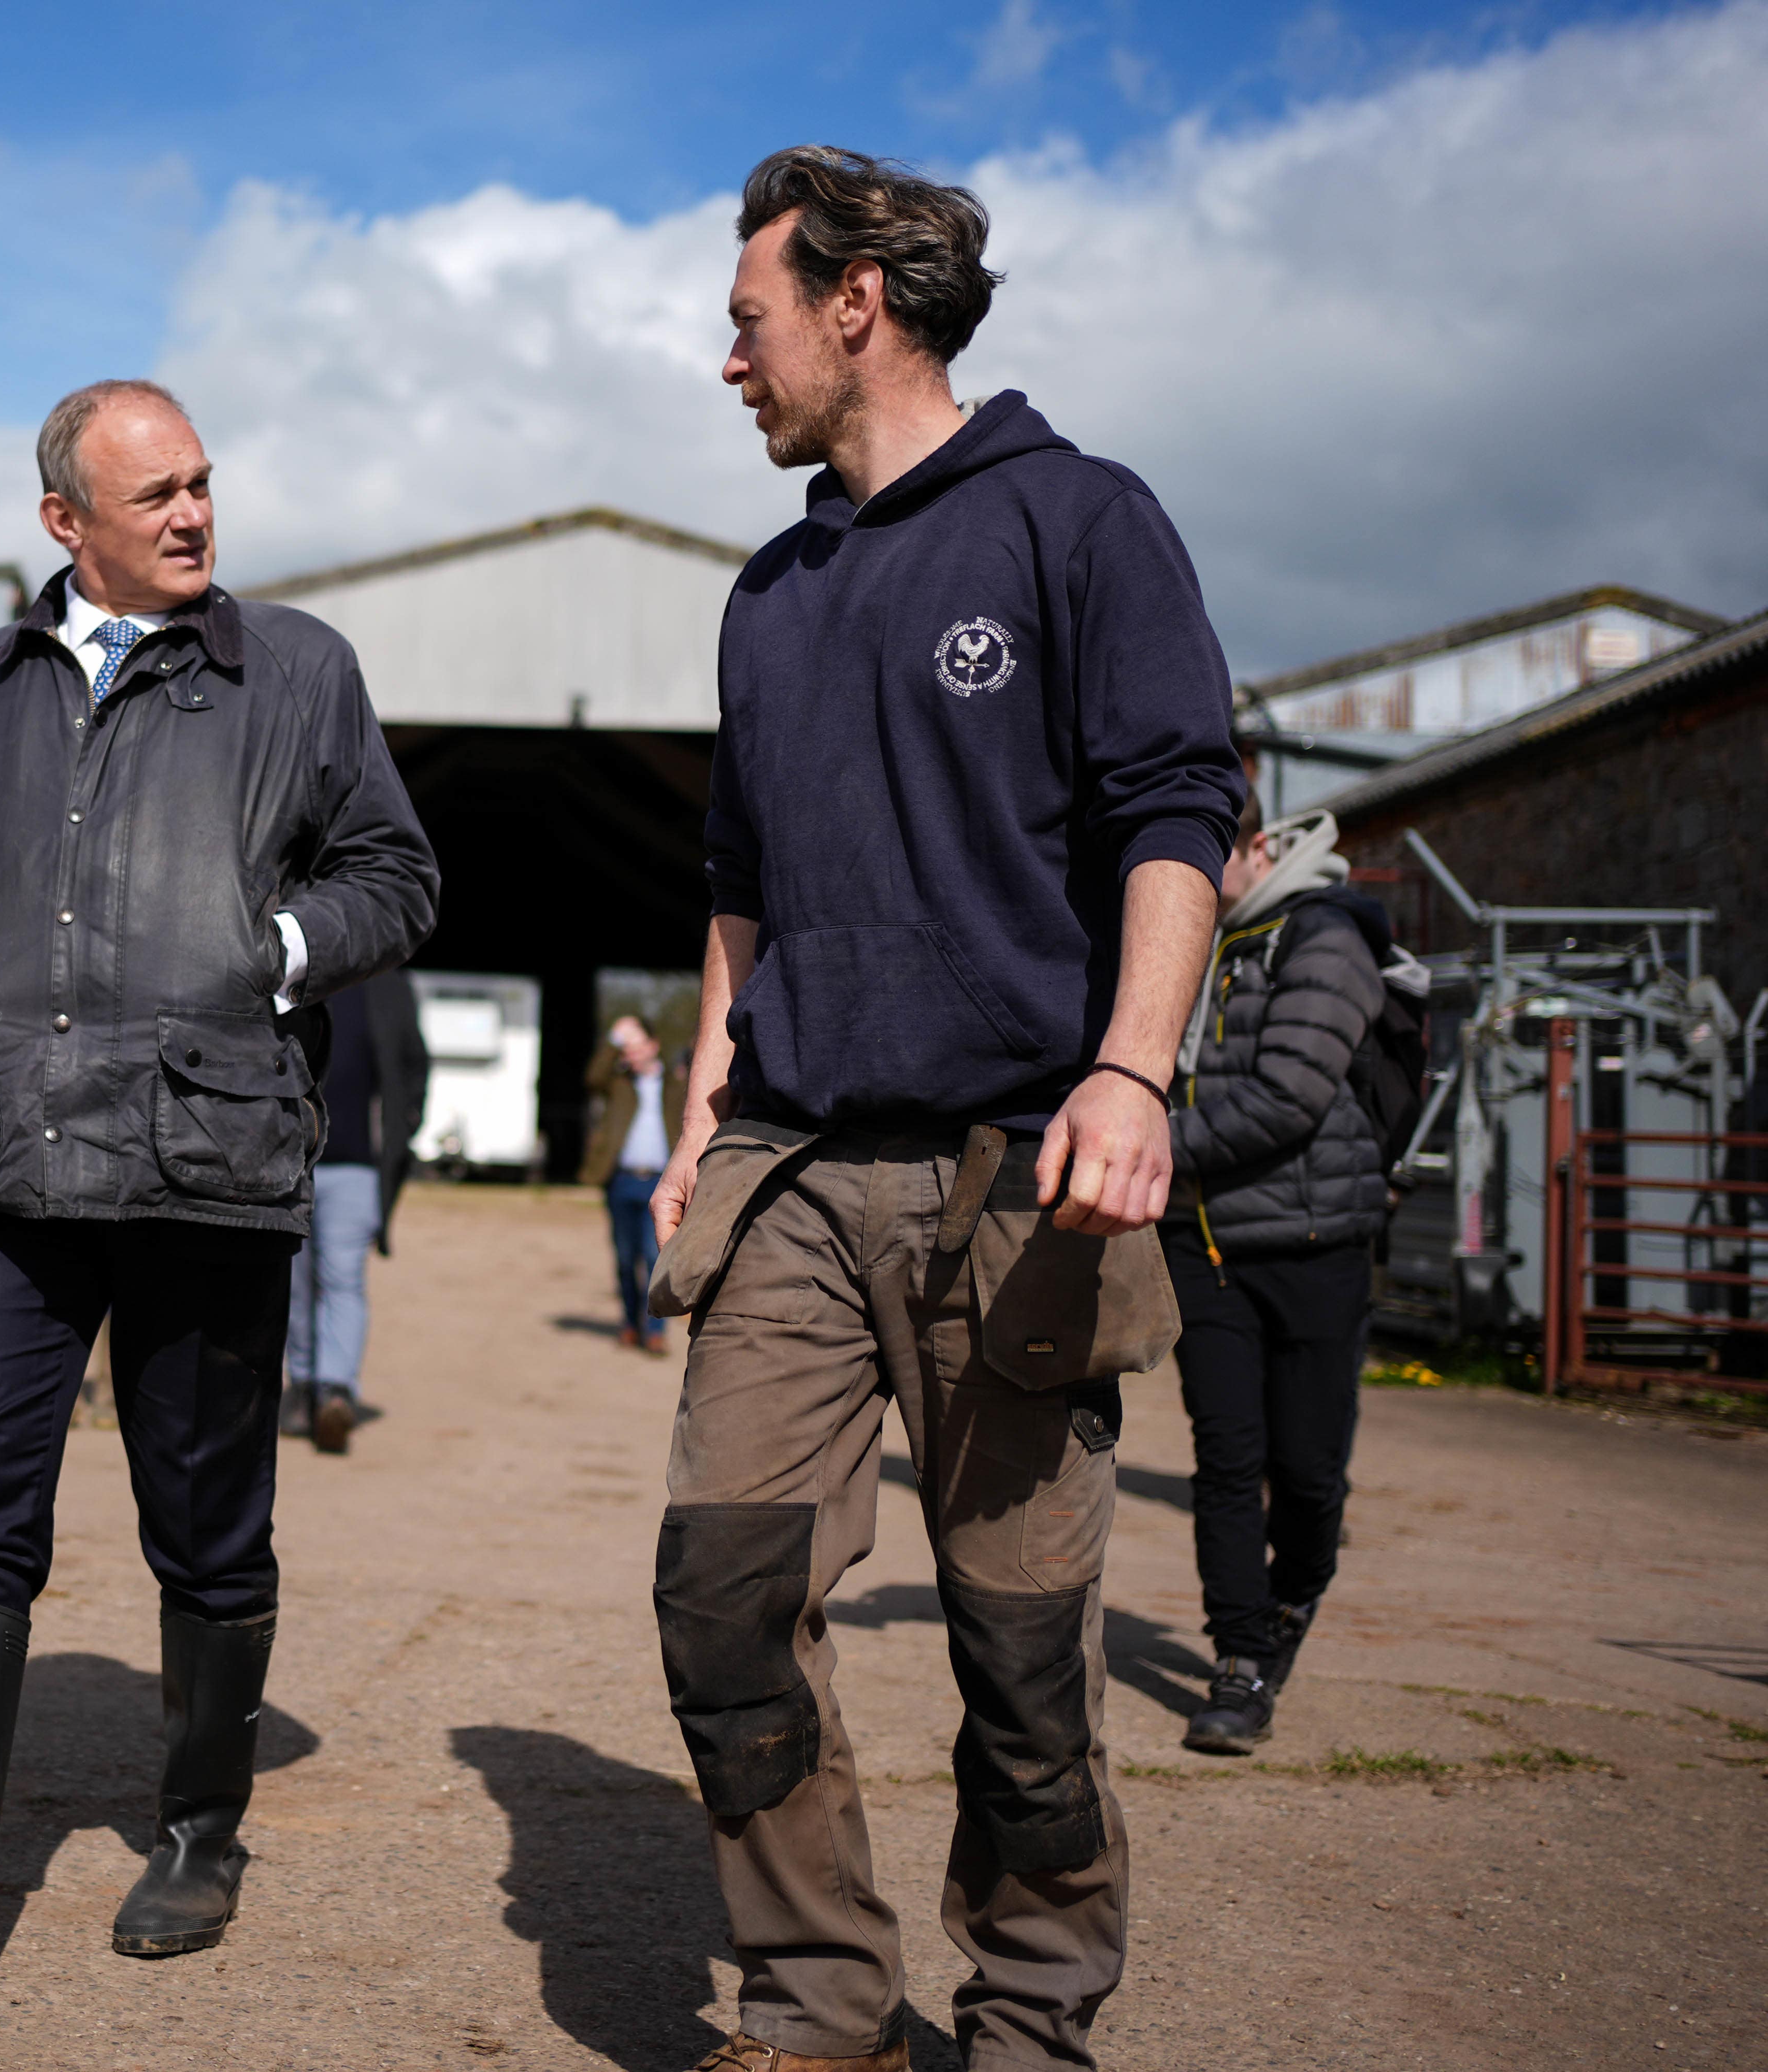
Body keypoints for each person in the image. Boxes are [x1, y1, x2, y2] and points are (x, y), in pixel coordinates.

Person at [644, 149, 1238, 2072]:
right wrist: (698, 1118)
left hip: (1018, 1179)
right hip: (798, 1169)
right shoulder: (767, 591)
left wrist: (1128, 1069)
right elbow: (736, 880)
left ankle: (1030, 2018)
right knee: (723, 1597)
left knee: (1017, 1661)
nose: (722, 358)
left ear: (854, 301)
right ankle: (817, 2006)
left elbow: (1177, 816)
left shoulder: (1075, 521)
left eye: (745, 319)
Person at [0, 379, 438, 2026]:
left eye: (203, 486)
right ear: (61, 524)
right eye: (151, 494)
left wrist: (271, 955)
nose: (190, 515)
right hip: (2, 1157)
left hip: (202, 1161)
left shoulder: (292, 671)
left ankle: (197, 1830)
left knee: (203, 1511)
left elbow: (395, 871)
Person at [1161, 797, 1388, 1754]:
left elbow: (1291, 1095)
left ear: (1258, 846)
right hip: (1203, 1241)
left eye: (1199, 857)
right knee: (1226, 1460)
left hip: (1312, 1240)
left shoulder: (1325, 937)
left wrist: (1145, 1146)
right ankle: (1242, 1662)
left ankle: (1296, 1593)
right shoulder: (1184, 945)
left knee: (1306, 1469)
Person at [282, 967, 430, 1454]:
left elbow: (414, 1063)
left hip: (356, 1167)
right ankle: (303, 1386)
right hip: (287, 1163)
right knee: (293, 1283)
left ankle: (335, 1389)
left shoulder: (387, 984)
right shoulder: (289, 969)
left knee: (343, 1277)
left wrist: (403, 1126)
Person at [583, 1013, 691, 1352]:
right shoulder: (618, 1084)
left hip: (660, 1183)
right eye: (627, 1049)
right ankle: (630, 1323)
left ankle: (655, 1329)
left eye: (637, 1045)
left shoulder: (677, 1086)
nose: (632, 1054)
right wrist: (614, 1042)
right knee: (626, 1258)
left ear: (654, 1046)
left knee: (655, 1254)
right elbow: (592, 1078)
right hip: (621, 1181)